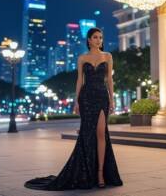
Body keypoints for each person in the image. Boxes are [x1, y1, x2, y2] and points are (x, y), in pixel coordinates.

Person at [24, 27, 123, 190]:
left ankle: (100, 172)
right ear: (89, 40)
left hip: (101, 97)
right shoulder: (82, 58)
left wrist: (112, 100)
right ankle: (88, 171)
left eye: (101, 37)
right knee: (87, 134)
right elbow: (79, 81)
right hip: (86, 98)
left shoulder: (108, 56)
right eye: (96, 37)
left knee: (101, 133)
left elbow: (110, 80)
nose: (99, 40)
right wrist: (76, 101)